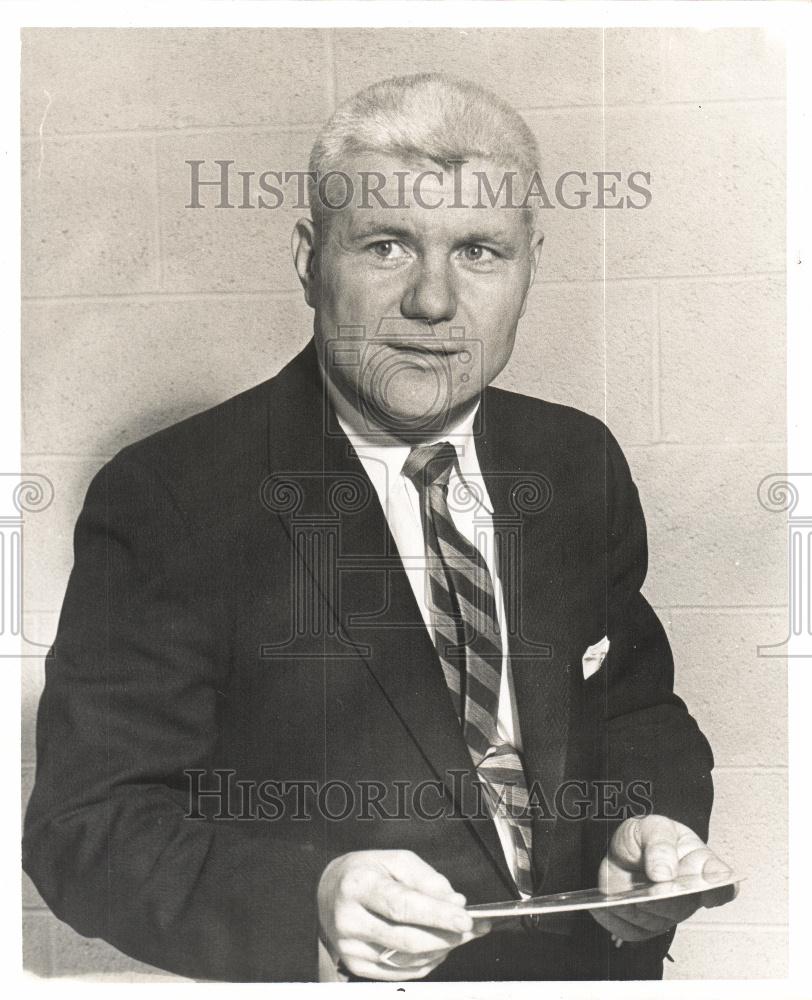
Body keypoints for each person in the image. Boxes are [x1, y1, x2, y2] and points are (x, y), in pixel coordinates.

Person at [23, 73, 733, 983]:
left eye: (479, 251)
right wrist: (307, 906)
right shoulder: (171, 497)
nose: (434, 302)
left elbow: (634, 710)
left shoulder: (573, 461)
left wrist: (649, 828)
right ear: (310, 261)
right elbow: (88, 826)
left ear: (531, 263)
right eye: (388, 246)